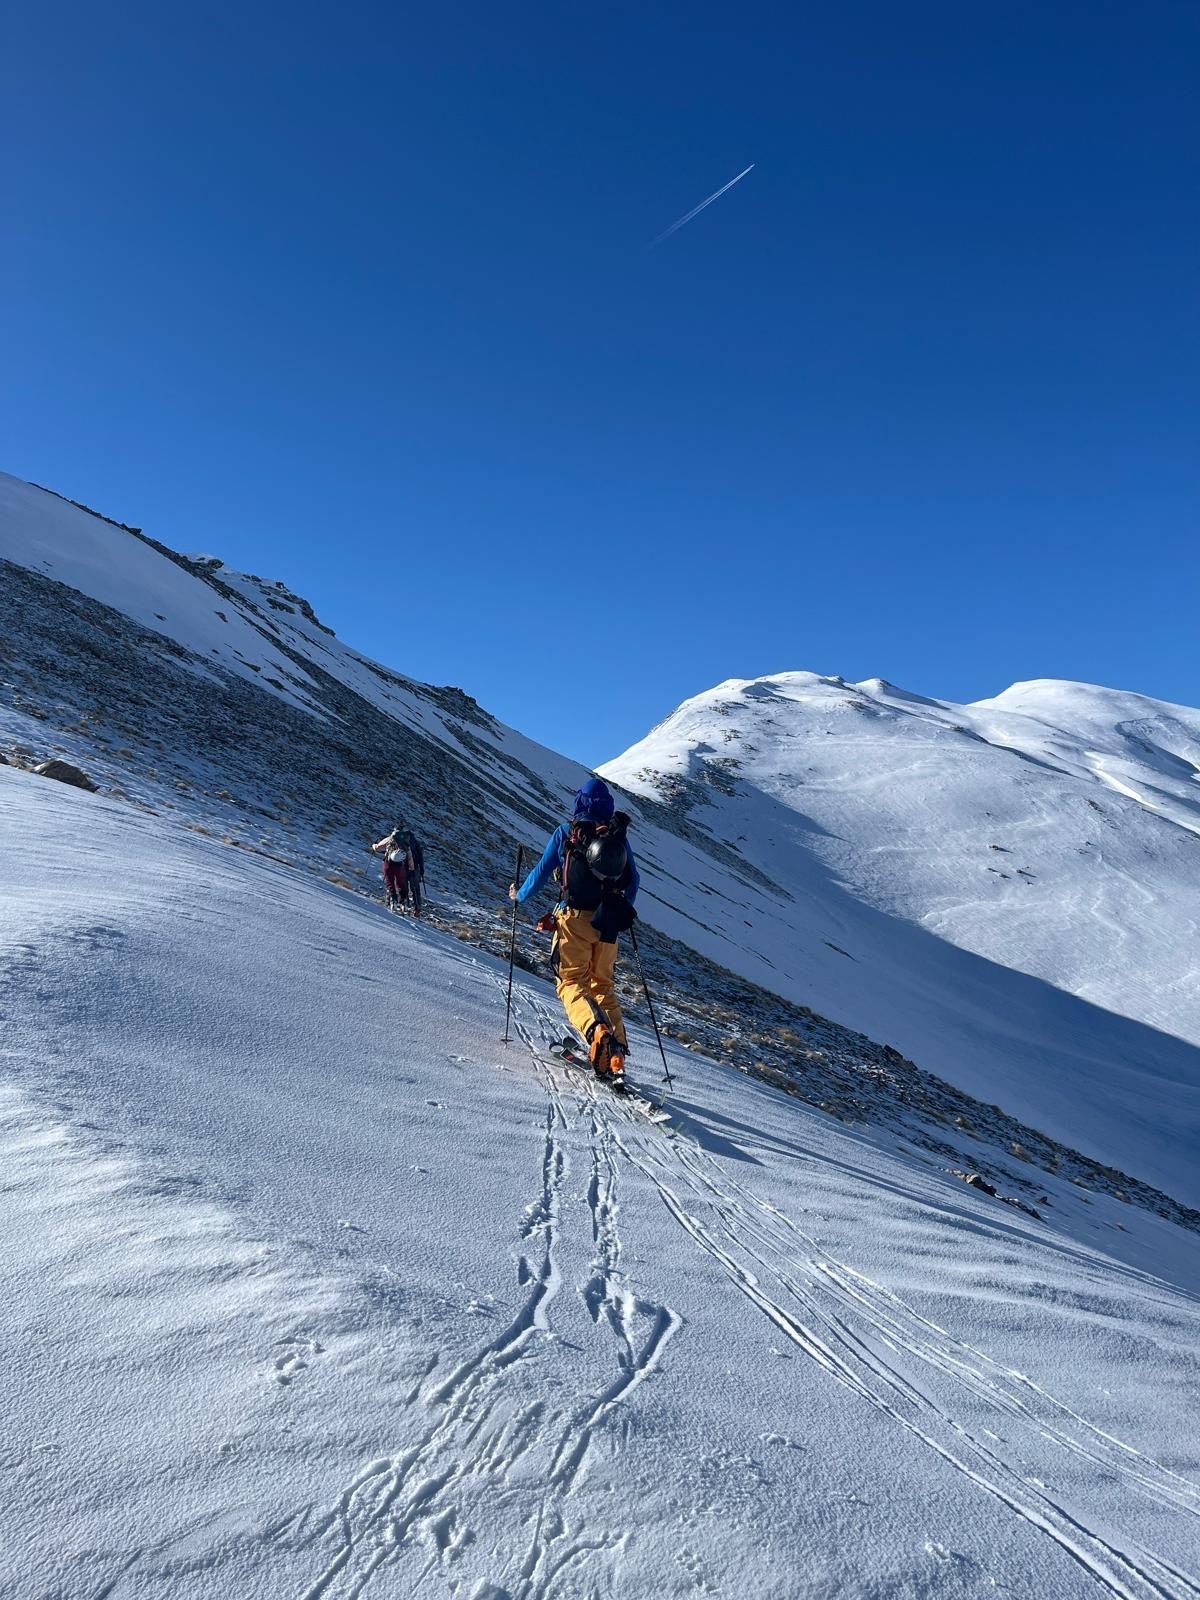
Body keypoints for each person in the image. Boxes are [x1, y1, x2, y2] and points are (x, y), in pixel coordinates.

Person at [509, 777, 639, 1078]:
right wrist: (619, 913)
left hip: (575, 920)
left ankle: (597, 1035)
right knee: (603, 987)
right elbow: (633, 881)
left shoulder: (567, 832)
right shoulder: (617, 836)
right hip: (608, 924)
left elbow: (542, 872)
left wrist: (520, 895)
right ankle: (615, 1055)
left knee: (571, 983)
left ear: (579, 802)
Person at [371, 826, 414, 911]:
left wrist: (374, 845)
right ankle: (402, 903)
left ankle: (393, 900)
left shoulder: (390, 839)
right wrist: (411, 867)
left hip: (388, 863)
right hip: (400, 865)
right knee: (400, 883)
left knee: (390, 882)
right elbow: (409, 856)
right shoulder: (405, 842)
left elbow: (378, 848)